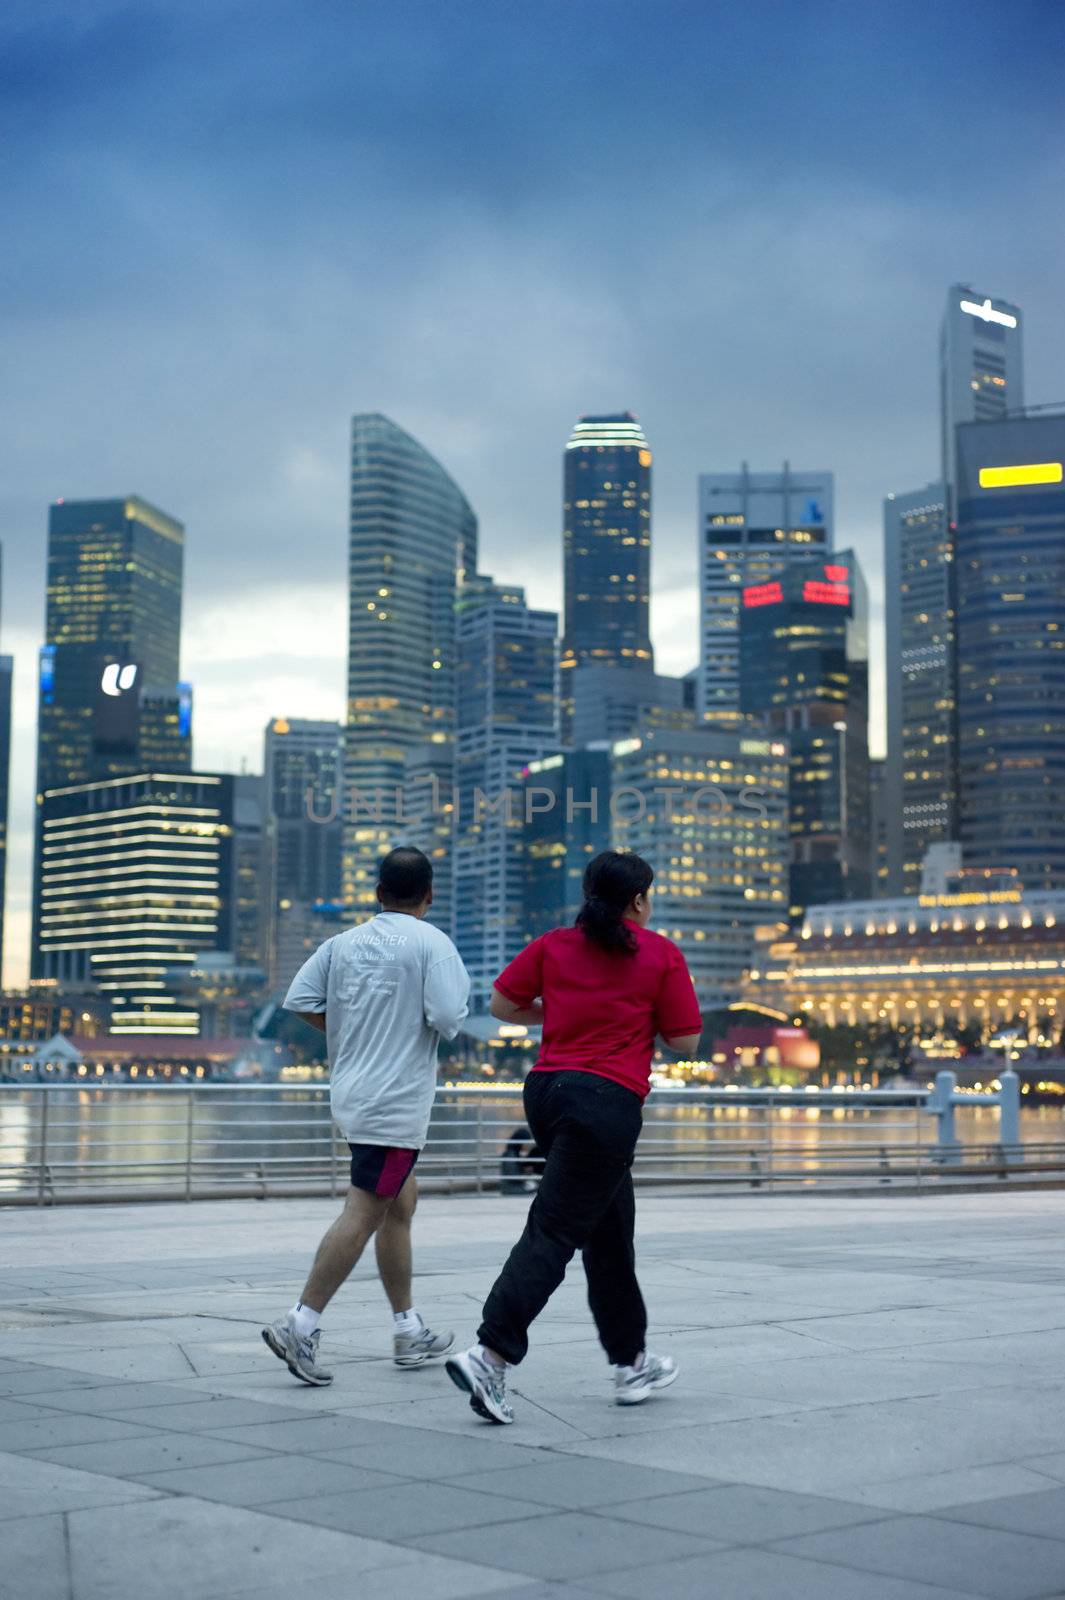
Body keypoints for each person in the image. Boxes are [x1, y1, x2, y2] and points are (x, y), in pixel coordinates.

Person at [445, 850, 702, 1424]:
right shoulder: (660, 954)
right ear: (639, 900)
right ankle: (491, 1354)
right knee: (556, 1230)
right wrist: (639, 1015)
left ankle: (631, 1361)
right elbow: (685, 1040)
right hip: (605, 1102)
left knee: (609, 1235)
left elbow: (502, 1005)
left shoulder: (554, 944)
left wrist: (559, 1010)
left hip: (548, 1093)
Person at [262, 846, 470, 1386]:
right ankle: (299, 1324)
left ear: (379, 893)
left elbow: (300, 999)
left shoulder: (342, 944)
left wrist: (349, 1030)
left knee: (400, 1203)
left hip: (353, 1093)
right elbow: (448, 1018)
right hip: (395, 1103)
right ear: (429, 894)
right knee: (363, 1212)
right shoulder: (434, 945)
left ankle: (407, 1328)